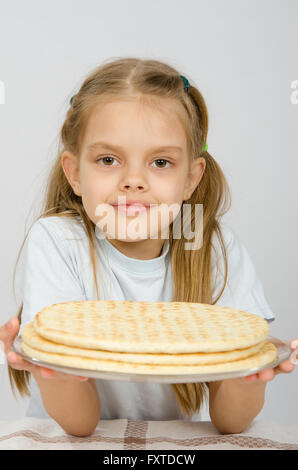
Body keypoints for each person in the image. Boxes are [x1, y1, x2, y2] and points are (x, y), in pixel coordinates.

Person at [1, 57, 297, 438]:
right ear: (75, 173)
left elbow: (231, 423)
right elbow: (81, 426)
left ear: (191, 178)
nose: (134, 181)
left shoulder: (213, 248)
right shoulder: (59, 241)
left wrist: (251, 372)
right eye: (108, 160)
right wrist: (53, 373)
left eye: (160, 162)